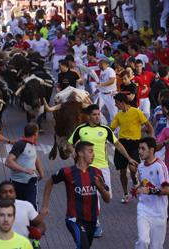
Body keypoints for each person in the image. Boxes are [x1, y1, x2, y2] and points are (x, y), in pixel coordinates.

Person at [68, 104, 137, 237]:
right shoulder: (81, 129)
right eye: (94, 114)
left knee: (108, 195)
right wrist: (74, 153)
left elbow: (117, 144)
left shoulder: (105, 130)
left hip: (103, 167)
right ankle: (95, 223)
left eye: (99, 114)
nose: (98, 116)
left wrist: (128, 158)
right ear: (88, 117)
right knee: (94, 195)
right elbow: (69, 144)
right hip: (87, 168)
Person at [41, 141, 111, 249]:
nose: (93, 155)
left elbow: (107, 199)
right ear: (80, 153)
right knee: (84, 247)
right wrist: (45, 205)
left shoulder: (97, 172)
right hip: (74, 219)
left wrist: (101, 188)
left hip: (92, 219)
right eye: (90, 151)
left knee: (83, 245)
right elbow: (50, 182)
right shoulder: (67, 172)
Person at [111, 93, 154, 203]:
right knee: (122, 171)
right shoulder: (118, 115)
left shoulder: (136, 112)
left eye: (116, 103)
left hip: (135, 144)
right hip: (122, 144)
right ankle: (125, 193)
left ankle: (135, 179)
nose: (115, 105)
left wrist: (151, 139)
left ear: (122, 102)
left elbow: (149, 126)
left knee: (133, 168)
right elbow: (111, 128)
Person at [0, 181, 45, 249]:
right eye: (4, 192)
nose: (8, 194)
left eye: (11, 191)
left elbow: (41, 223)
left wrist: (39, 231)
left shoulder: (26, 206)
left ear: (15, 194)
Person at [130, 137, 169, 249]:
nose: (139, 151)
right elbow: (141, 185)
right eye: (139, 148)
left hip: (159, 213)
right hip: (144, 209)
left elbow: (167, 190)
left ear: (151, 150)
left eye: (143, 148)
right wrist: (133, 192)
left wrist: (151, 191)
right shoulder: (141, 167)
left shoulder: (160, 166)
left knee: (156, 246)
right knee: (143, 241)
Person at [5, 123, 44, 210]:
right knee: (17, 208)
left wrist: (41, 173)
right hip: (16, 182)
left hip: (30, 181)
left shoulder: (33, 144)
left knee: (32, 206)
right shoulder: (20, 144)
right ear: (35, 134)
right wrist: (25, 170)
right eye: (37, 133)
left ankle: (33, 223)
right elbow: (8, 162)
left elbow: (35, 157)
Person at [95, 58, 118, 123]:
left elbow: (112, 81)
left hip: (111, 94)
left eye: (101, 64)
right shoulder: (102, 72)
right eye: (99, 64)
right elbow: (101, 84)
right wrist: (94, 92)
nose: (99, 65)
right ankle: (104, 123)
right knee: (96, 109)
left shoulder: (110, 70)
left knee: (113, 114)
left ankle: (116, 130)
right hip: (102, 94)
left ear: (106, 64)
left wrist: (102, 84)